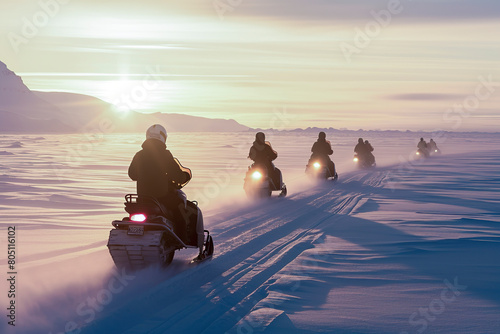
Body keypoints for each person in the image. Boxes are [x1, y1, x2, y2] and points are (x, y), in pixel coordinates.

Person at [128, 124, 194, 244]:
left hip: (143, 198)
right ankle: (182, 239)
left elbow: (132, 175)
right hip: (161, 197)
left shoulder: (139, 155)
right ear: (163, 137)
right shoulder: (164, 155)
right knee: (180, 207)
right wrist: (185, 176)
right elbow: (177, 175)